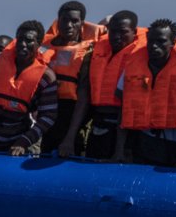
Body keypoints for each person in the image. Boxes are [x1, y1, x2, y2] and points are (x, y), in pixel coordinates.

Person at [0, 21, 58, 156]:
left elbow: (49, 116)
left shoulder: (46, 77)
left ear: (39, 44)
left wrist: (25, 141)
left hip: (18, 138)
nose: (23, 44)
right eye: (20, 39)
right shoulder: (0, 62)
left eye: (29, 41)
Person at [59, 11, 142, 159]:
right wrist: (69, 138)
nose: (116, 36)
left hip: (127, 129)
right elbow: (84, 95)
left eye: (123, 32)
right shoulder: (96, 52)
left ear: (134, 32)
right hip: (99, 122)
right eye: (113, 31)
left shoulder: (141, 57)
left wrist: (120, 150)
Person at [115, 18, 176, 166]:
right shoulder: (133, 66)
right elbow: (123, 107)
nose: (154, 46)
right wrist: (119, 150)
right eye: (151, 41)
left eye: (161, 41)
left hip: (175, 140)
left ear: (173, 42)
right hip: (145, 139)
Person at [41, 1, 97, 154]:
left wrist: (70, 137)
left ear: (82, 24)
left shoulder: (86, 53)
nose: (69, 25)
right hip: (43, 110)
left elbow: (84, 95)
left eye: (74, 21)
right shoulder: (43, 47)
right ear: (58, 21)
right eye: (65, 20)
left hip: (70, 113)